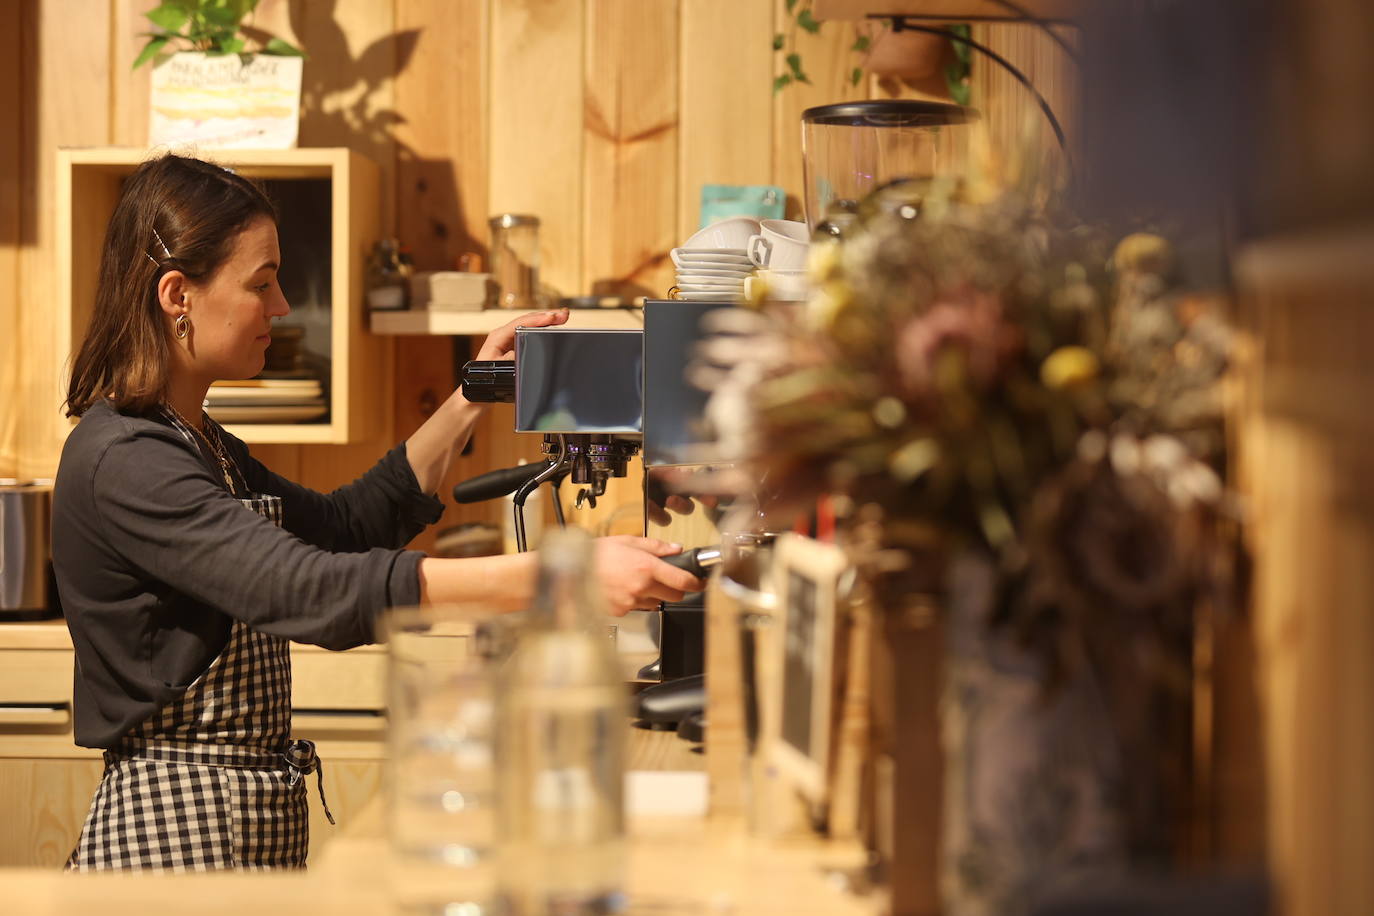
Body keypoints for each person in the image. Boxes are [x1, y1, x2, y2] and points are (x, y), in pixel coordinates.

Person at [52, 153, 701, 872]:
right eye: (261, 284)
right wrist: (559, 577)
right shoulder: (127, 459)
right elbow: (306, 589)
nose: (281, 308)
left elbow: (346, 529)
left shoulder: (198, 441)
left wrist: (471, 397)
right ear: (178, 294)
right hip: (170, 837)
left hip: (235, 814)